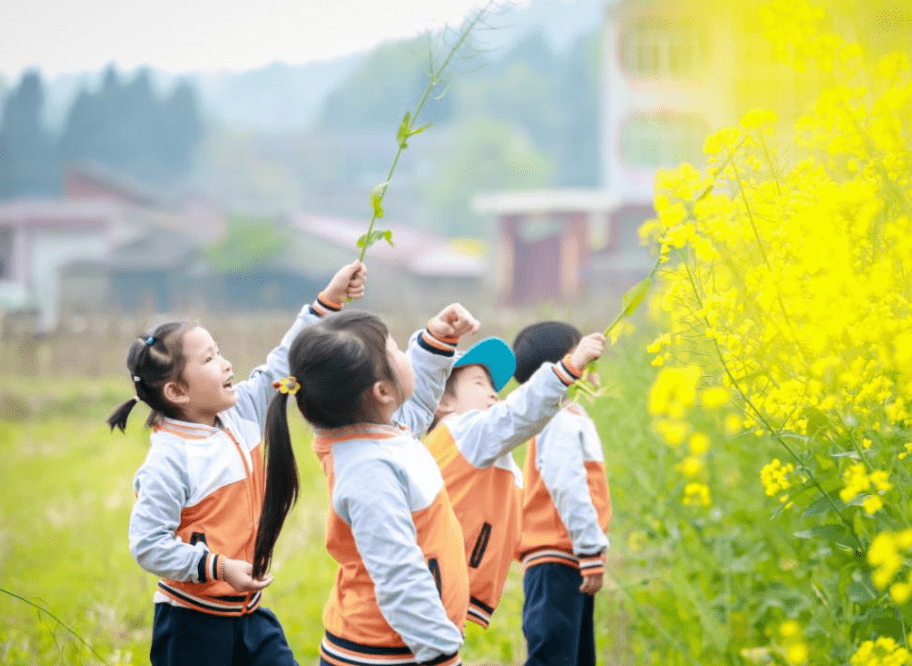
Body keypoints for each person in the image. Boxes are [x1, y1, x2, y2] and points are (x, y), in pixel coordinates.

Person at [108, 261, 367, 666]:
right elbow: (147, 545)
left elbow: (282, 362)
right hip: (191, 625)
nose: (227, 364)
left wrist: (328, 301)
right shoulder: (170, 458)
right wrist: (217, 567)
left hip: (248, 614)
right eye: (210, 359)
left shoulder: (241, 411)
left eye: (220, 352)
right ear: (176, 391)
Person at [252, 304, 481, 666]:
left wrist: (436, 342)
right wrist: (439, 652)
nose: (403, 353)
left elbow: (416, 406)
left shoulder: (374, 433)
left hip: (398, 644)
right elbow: (397, 570)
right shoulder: (370, 471)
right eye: (394, 350)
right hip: (385, 652)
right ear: (382, 392)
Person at [423, 331, 605, 630]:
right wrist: (570, 367)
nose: (494, 393)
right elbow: (516, 415)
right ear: (443, 402)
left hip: (439, 584)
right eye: (479, 383)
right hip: (433, 583)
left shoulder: (471, 451)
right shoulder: (463, 431)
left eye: (494, 386)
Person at [512, 321, 613, 666]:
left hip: (561, 558)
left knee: (575, 657)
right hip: (556, 557)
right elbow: (567, 485)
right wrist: (589, 548)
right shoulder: (560, 421)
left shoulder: (563, 417)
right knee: (554, 658)